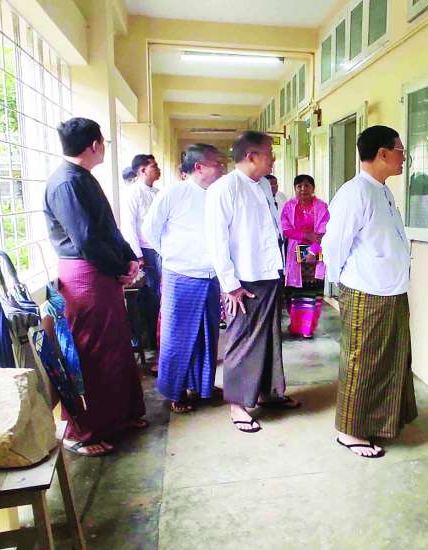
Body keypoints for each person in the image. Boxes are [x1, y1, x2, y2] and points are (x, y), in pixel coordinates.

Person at [43, 117, 146, 457]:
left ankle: (118, 416)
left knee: (115, 346)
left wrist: (129, 259)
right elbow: (85, 239)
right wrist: (119, 269)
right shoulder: (65, 183)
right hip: (85, 276)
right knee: (89, 351)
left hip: (102, 271)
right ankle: (81, 432)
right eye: (103, 142)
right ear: (95, 145)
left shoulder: (83, 177)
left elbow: (109, 229)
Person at [322, 125, 417, 459]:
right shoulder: (355, 192)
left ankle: (379, 422)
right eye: (400, 150)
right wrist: (339, 283)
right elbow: (333, 244)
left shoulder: (382, 191)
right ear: (382, 154)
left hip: (391, 290)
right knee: (363, 361)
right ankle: (349, 431)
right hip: (366, 291)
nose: (404, 157)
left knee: (390, 360)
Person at [206, 131, 299, 434]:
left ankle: (269, 392)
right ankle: (237, 403)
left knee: (270, 337)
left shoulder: (262, 187)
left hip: (269, 273)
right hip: (244, 280)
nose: (274, 159)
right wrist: (230, 284)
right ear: (251, 156)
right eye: (269, 153)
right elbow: (217, 241)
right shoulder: (224, 189)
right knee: (243, 340)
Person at [142, 144, 225, 414]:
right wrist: (172, 255)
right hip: (181, 275)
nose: (221, 167)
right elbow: (149, 230)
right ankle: (175, 391)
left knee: (207, 335)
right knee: (178, 337)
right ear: (199, 167)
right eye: (216, 163)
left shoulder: (218, 193)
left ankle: (202, 386)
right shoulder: (174, 193)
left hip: (211, 275)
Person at [120, 154, 162, 352]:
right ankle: (148, 342)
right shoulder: (133, 193)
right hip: (144, 252)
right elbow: (129, 227)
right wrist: (137, 255)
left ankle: (157, 339)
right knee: (149, 297)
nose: (158, 169)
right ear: (142, 170)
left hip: (159, 250)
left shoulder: (157, 193)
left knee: (158, 296)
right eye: (154, 166)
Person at [281, 174, 329, 338]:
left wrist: (312, 251)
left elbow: (324, 231)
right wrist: (306, 235)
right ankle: (296, 327)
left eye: (307, 185)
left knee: (312, 292)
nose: (303, 189)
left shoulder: (321, 206)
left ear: (313, 188)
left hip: (315, 252)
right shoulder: (289, 206)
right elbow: (286, 229)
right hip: (294, 254)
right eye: (299, 186)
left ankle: (308, 329)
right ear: (295, 189)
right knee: (295, 293)